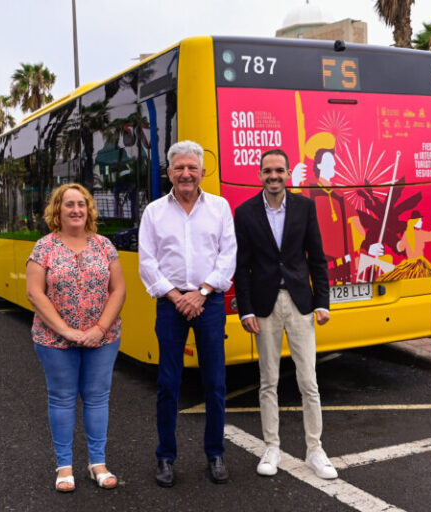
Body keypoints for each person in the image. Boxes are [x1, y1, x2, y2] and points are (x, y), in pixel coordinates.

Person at [233, 148, 338, 480]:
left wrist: (323, 301)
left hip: (300, 304)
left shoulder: (304, 207)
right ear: (260, 174)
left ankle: (315, 449)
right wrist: (245, 308)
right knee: (269, 381)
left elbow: (317, 257)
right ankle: (272, 446)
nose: (274, 176)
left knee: (309, 381)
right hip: (264, 306)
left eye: (279, 170)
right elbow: (242, 266)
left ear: (288, 173)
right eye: (268, 171)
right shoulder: (246, 212)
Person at [139, 140, 237, 487]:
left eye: (191, 168)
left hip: (208, 302)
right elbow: (147, 262)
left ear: (202, 171)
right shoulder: (153, 212)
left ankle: (215, 454)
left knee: (215, 382)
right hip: (170, 304)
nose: (185, 174)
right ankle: (165, 457)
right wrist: (177, 296)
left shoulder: (220, 208)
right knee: (168, 383)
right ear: (169, 172)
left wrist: (203, 292)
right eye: (179, 168)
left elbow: (228, 256)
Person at [26, 183, 126, 492]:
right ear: (57, 210)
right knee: (62, 398)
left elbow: (118, 289)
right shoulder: (44, 247)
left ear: (89, 210)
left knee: (97, 398)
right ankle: (64, 466)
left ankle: (98, 463)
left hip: (103, 338)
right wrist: (66, 330)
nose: (76, 210)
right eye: (69, 204)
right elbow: (34, 293)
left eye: (81, 204)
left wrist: (99, 329)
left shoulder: (104, 245)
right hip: (54, 340)